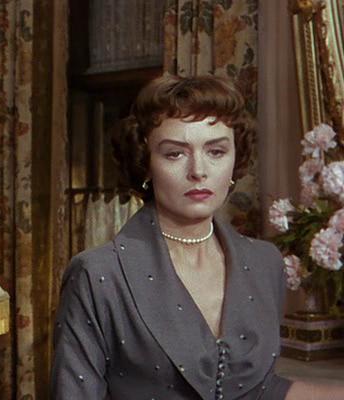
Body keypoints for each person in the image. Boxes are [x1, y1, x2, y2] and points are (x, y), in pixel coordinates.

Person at [51, 75, 344, 399]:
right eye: (175, 154)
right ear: (146, 164)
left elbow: (259, 390)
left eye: (216, 151)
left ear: (235, 159)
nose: (198, 170)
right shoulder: (98, 275)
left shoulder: (265, 262)